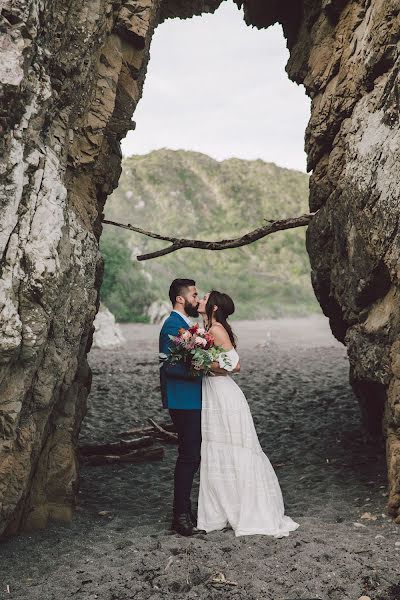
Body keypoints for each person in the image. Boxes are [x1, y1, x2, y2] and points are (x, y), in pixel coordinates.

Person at [196, 290, 300, 537]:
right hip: (212, 391)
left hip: (223, 393)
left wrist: (201, 363)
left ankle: (246, 511)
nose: (199, 299)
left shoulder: (217, 329)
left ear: (212, 308)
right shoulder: (207, 327)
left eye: (204, 297)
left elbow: (235, 364)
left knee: (233, 447)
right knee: (216, 448)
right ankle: (221, 510)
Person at [159, 278, 205, 536]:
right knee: (189, 456)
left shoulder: (187, 325)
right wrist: (200, 369)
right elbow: (170, 366)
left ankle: (185, 510)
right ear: (180, 298)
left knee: (192, 455)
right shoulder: (172, 325)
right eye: (194, 295)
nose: (197, 299)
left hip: (191, 399)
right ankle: (180, 516)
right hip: (182, 400)